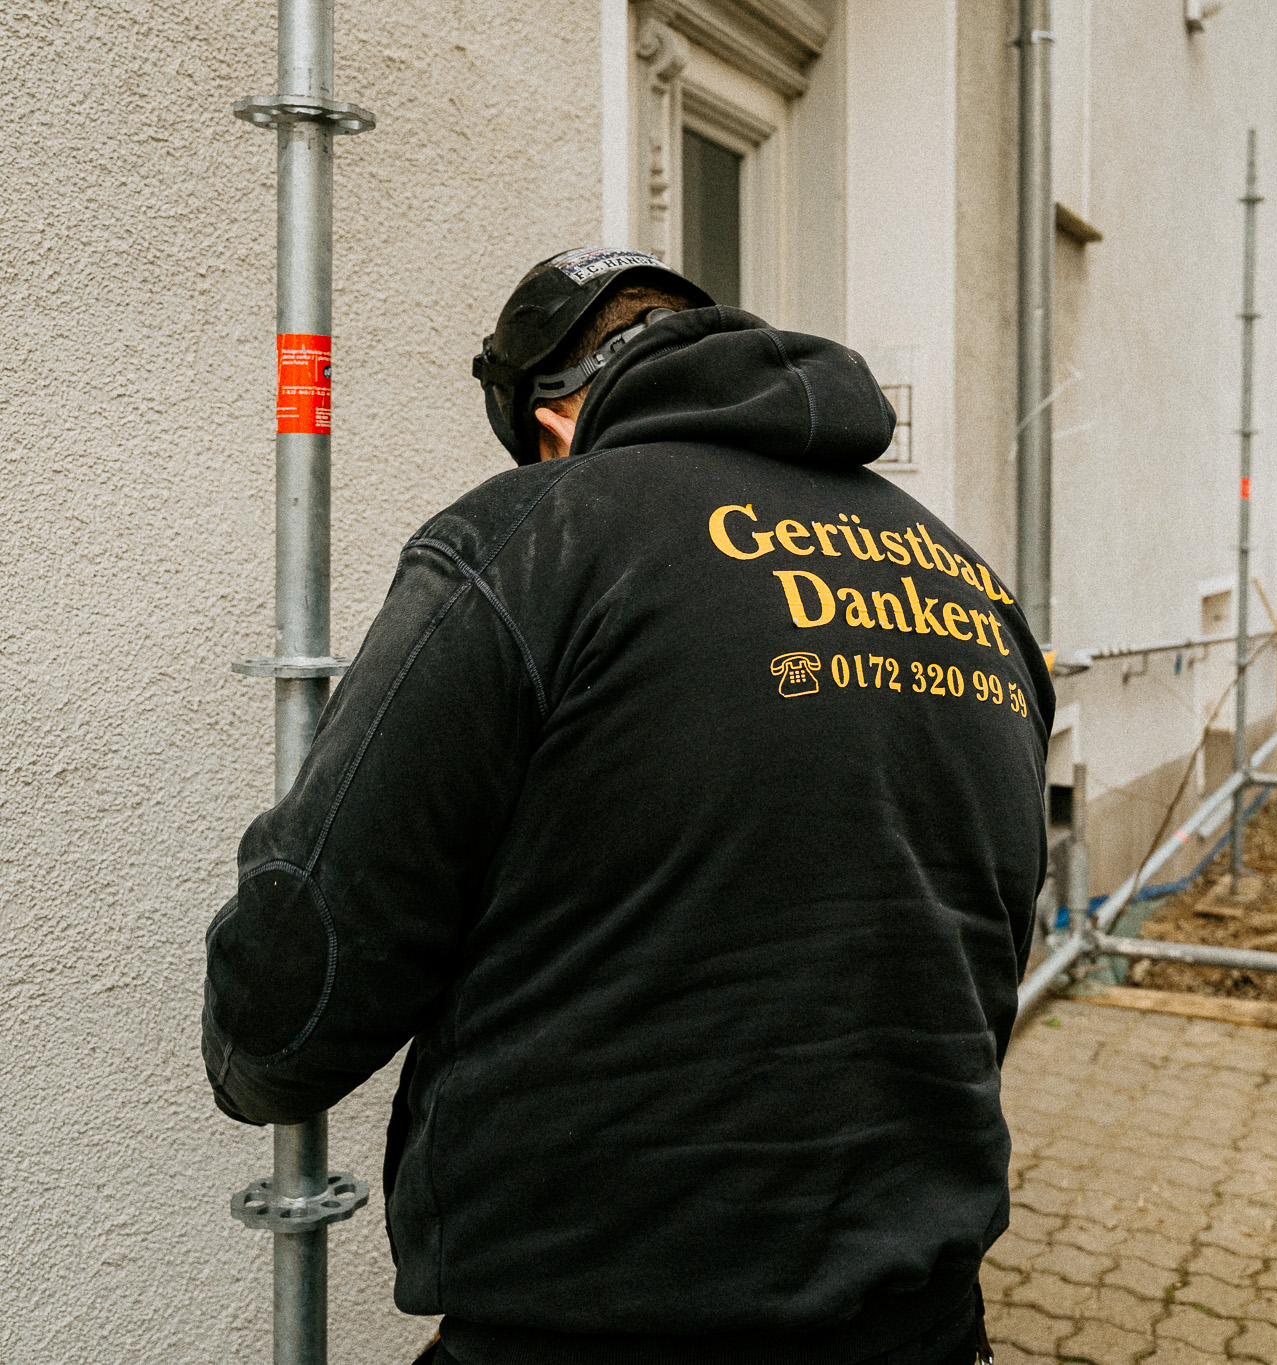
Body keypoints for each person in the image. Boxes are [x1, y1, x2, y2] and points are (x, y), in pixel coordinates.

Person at [202, 246, 1053, 1365]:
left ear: (551, 420)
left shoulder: (534, 537)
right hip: (922, 1317)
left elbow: (300, 982)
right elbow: (981, 935)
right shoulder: (964, 583)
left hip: (601, 1314)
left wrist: (248, 1055)